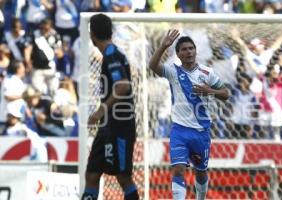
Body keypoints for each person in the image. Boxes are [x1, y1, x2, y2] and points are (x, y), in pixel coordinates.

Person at [149, 29, 230, 200]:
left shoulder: (207, 73)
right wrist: (164, 46)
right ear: (178, 54)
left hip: (201, 131)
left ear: (195, 51)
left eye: (190, 48)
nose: (188, 52)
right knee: (178, 169)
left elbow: (226, 94)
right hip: (179, 130)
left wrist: (210, 91)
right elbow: (153, 66)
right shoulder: (172, 71)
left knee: (200, 172)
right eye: (184, 49)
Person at [81, 13, 139, 200]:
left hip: (119, 126)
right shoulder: (112, 53)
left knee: (123, 177)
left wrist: (99, 112)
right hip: (108, 126)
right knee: (92, 174)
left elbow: (122, 85)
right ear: (111, 32)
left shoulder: (112, 54)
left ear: (91, 35)